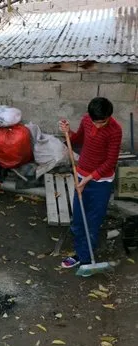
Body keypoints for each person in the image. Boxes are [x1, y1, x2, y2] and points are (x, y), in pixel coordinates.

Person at [58, 97, 122, 272]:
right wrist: (68, 131)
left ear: (109, 116)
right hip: (81, 173)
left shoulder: (115, 130)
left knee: (93, 221)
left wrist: (88, 180)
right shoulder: (87, 119)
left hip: (101, 182)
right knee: (79, 218)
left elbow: (110, 162)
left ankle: (85, 258)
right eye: (96, 122)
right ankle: (80, 250)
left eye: (102, 122)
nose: (98, 126)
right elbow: (78, 139)